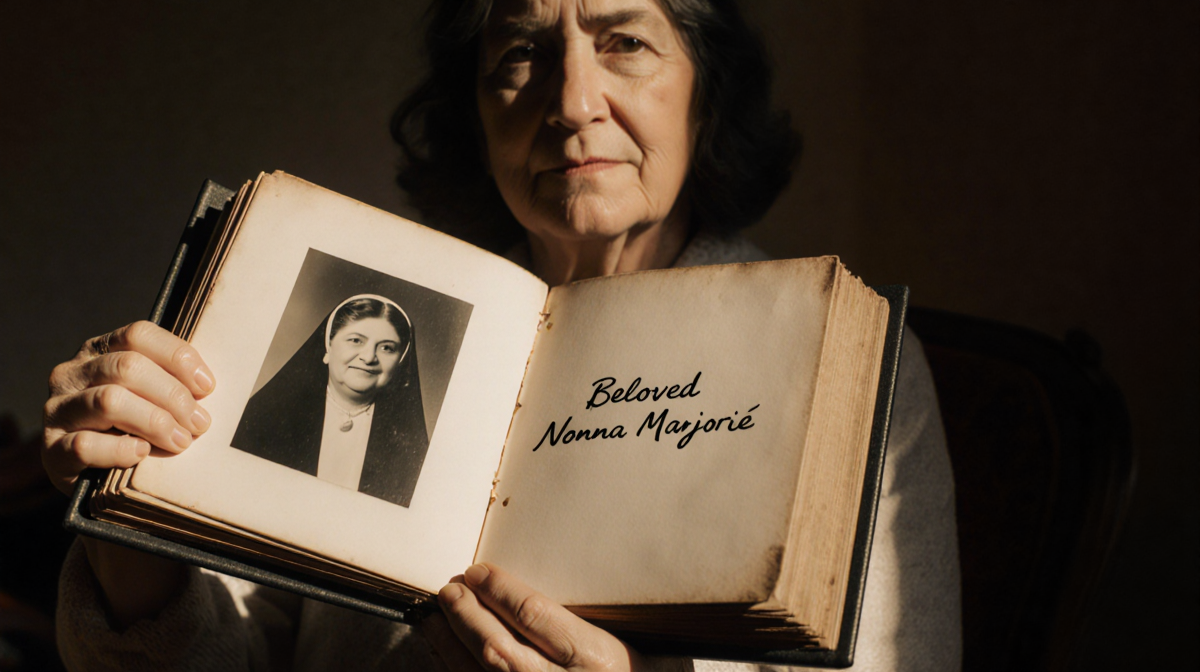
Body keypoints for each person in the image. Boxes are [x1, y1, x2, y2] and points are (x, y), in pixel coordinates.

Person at [42, 0, 962, 669]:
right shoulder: (370, 322)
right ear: (476, 114)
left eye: (626, 42)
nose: (572, 101)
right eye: (522, 51)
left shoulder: (842, 361)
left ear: (706, 98)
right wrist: (129, 541)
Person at [230, 294, 430, 508]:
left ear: (399, 362)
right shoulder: (264, 419)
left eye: (387, 348)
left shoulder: (412, 450)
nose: (369, 357)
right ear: (328, 347)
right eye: (356, 340)